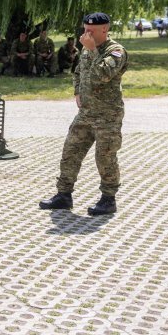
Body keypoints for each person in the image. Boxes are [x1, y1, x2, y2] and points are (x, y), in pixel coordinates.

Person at [40, 12, 127, 216]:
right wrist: (77, 91)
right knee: (70, 152)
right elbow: (78, 71)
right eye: (85, 29)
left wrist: (92, 50)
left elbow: (103, 75)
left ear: (104, 29)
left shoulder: (115, 51)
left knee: (105, 157)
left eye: (91, 30)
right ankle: (63, 195)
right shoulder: (88, 49)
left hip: (107, 116)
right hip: (86, 113)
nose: (86, 33)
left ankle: (108, 199)